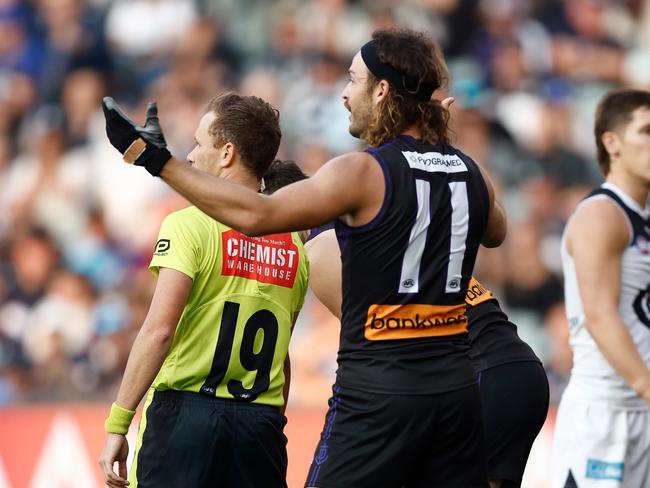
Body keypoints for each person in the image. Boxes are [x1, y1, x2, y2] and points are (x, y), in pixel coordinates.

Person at [102, 28, 507, 487]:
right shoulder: (467, 171)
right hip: (455, 389)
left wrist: (157, 160)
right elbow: (496, 230)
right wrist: (442, 145)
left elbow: (258, 214)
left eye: (353, 80)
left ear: (381, 90)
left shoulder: (362, 171)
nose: (344, 93)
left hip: (378, 391)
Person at [98, 93, 310, 488]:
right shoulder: (295, 245)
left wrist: (118, 422)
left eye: (199, 143)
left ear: (227, 152)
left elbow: (159, 331)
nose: (191, 156)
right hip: (260, 425)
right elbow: (282, 357)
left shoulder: (188, 225)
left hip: (186, 418)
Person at [305, 223, 548, 488]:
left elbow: (378, 358)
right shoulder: (398, 224)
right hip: (517, 367)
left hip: (476, 374)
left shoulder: (324, 245)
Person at [552, 88, 650, 488]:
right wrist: (648, 387)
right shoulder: (601, 215)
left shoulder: (641, 217)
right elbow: (600, 315)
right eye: (647, 131)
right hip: (605, 416)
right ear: (612, 142)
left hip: (640, 410)